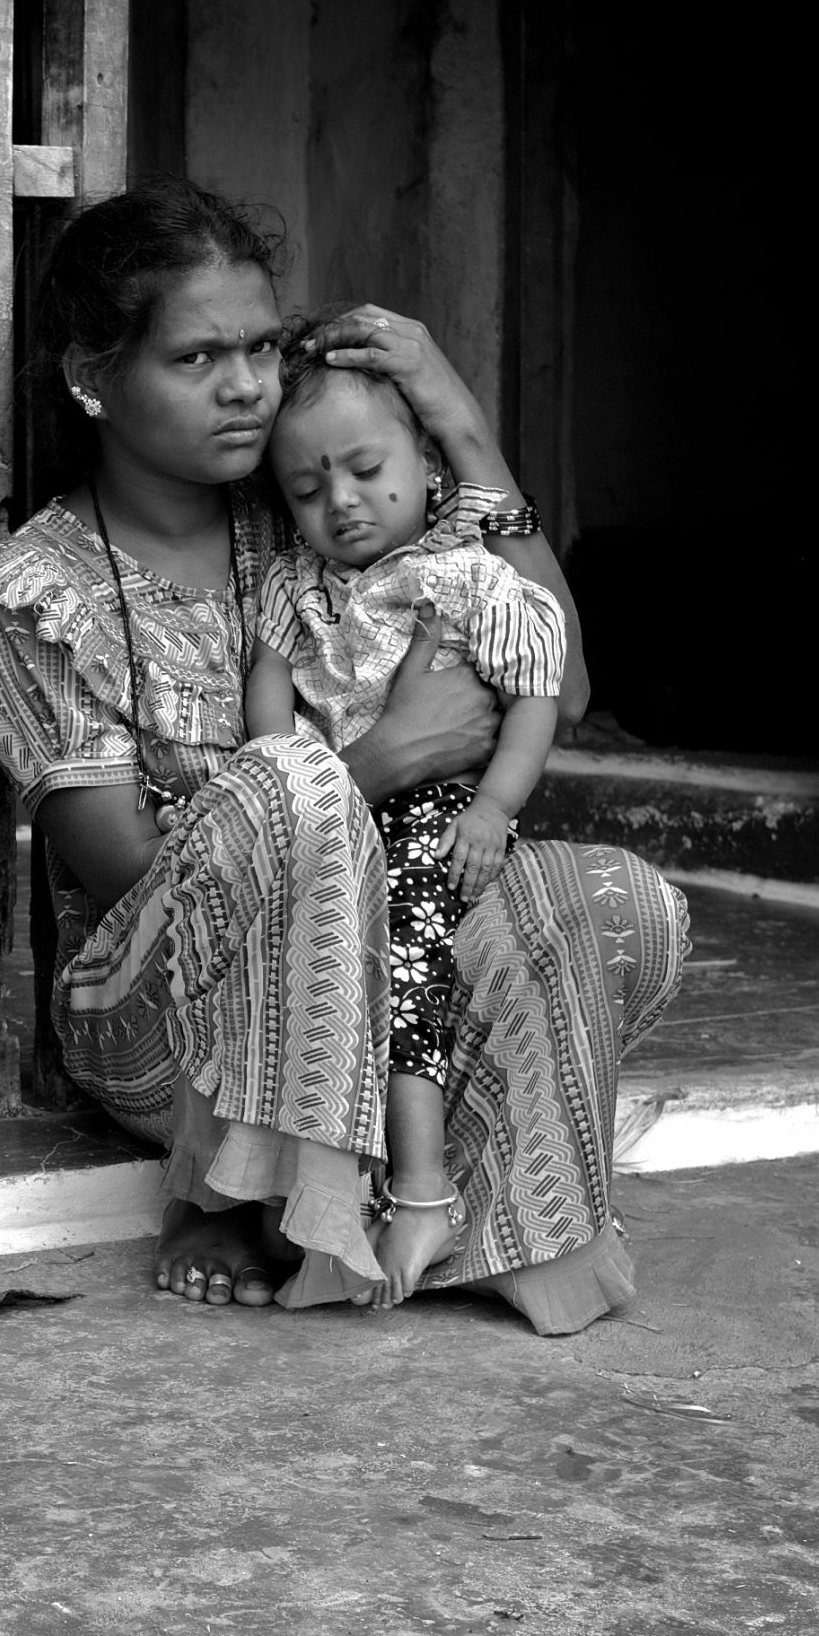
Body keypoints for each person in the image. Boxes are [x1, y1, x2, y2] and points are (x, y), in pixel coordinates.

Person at [0, 178, 685, 1334]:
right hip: (163, 1021)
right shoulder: (38, 594)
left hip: (379, 984)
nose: (246, 383)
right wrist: (385, 757)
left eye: (257, 345)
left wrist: (458, 422)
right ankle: (227, 1182)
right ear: (95, 379)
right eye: (197, 358)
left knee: (612, 903)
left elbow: (564, 681)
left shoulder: (316, 502)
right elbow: (125, 876)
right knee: (287, 773)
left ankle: (444, 1213)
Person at [243, 310, 569, 1307]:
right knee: (323, 975)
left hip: (441, 818)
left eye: (364, 469)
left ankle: (425, 1190)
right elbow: (268, 725)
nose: (340, 501)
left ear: (430, 469)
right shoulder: (293, 592)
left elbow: (538, 692)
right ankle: (330, 1200)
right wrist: (288, 784)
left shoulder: (466, 575)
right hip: (340, 816)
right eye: (307, 488)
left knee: (403, 973)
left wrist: (495, 812)